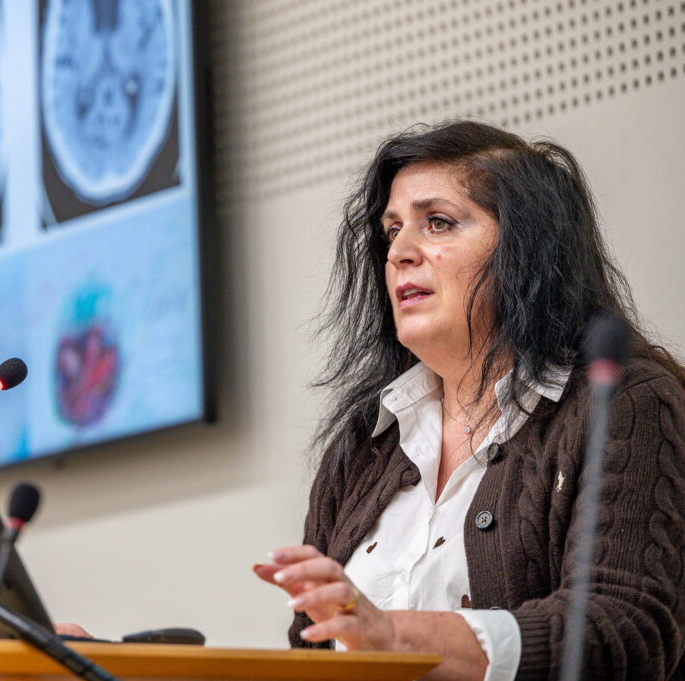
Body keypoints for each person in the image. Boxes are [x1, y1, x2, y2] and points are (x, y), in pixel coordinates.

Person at [252, 121, 685, 680]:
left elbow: (620, 632)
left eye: (438, 222)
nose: (399, 252)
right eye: (392, 231)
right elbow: (311, 653)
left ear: (526, 249)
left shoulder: (625, 404)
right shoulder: (362, 446)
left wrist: (397, 637)